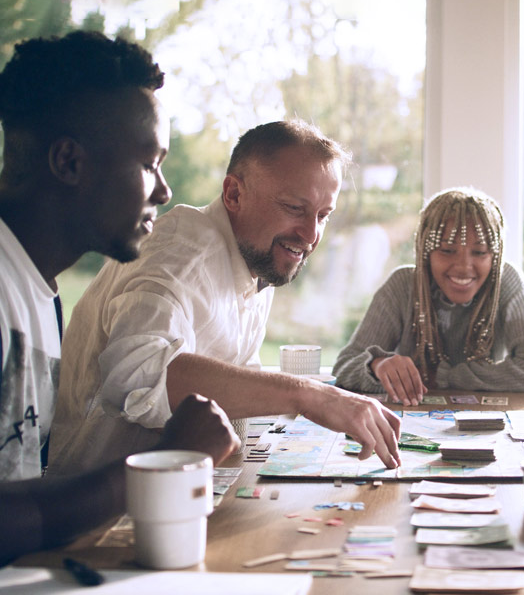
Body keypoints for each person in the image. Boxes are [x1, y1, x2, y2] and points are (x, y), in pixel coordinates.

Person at [0, 31, 238, 564]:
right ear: (69, 162)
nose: (164, 190)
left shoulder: (35, 290)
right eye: (151, 161)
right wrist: (164, 461)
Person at [48, 119, 401, 475]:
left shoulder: (257, 256)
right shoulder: (182, 252)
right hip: (102, 512)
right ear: (233, 194)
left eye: (323, 215)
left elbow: (235, 390)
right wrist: (309, 394)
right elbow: (135, 379)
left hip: (185, 488)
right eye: (294, 208)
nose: (310, 234)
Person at [333, 187, 524, 405]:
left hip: (488, 424)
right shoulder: (402, 286)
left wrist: (444, 376)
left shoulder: (505, 281)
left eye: (480, 252)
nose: (463, 267)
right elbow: (344, 367)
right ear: (425, 251)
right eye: (447, 250)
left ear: (495, 255)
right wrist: (377, 365)